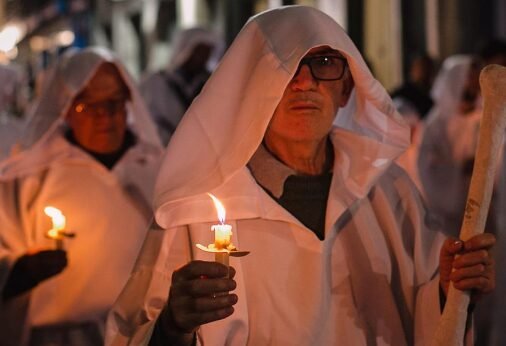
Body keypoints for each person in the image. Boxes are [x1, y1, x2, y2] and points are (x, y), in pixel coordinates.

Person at [106, 6, 495, 345]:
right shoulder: (195, 207)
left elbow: (423, 315)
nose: (305, 82)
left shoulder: (389, 192)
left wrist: (449, 290)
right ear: (252, 89)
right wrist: (174, 327)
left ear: (345, 90)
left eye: (324, 63)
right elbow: (135, 331)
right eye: (285, 65)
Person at [0, 47, 163, 346]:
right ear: (64, 107)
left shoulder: (155, 170)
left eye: (114, 103)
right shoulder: (27, 178)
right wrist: (22, 270)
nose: (104, 116)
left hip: (142, 334)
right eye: (87, 105)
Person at [418, 55, 485, 237]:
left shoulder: (484, 117)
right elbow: (428, 166)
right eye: (469, 77)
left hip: (486, 209)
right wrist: (459, 168)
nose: (474, 83)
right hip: (448, 216)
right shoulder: (436, 124)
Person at [139, 27, 223, 145]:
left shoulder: (214, 83)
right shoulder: (155, 82)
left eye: (207, 52)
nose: (202, 57)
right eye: (198, 51)